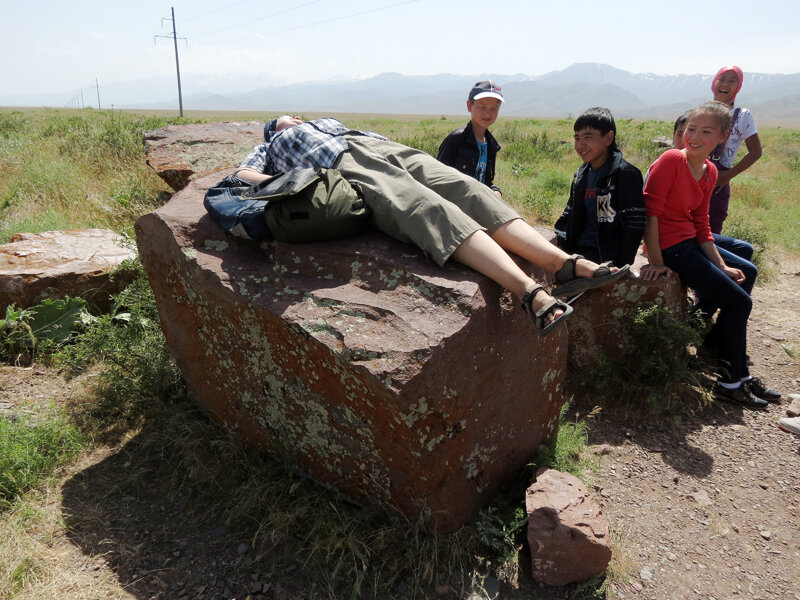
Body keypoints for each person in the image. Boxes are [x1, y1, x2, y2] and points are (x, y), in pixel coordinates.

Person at [235, 116, 631, 336]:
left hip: (383, 147)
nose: (290, 120)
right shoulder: (270, 146)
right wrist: (287, 182)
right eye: (281, 122)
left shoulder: (327, 121)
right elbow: (245, 174)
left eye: (292, 117)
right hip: (341, 164)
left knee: (471, 191)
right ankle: (530, 292)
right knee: (427, 210)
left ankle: (565, 264)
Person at [640, 102, 779, 409]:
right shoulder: (671, 160)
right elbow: (649, 215)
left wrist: (721, 265)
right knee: (740, 301)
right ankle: (733, 380)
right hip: (672, 247)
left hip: (689, 240)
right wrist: (656, 262)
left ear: (724, 136)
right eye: (691, 129)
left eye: (706, 131)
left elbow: (701, 224)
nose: (694, 137)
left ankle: (720, 348)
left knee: (747, 271)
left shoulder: (710, 170)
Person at [553, 107, 646, 268]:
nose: (580, 145)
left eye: (587, 137)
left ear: (608, 138)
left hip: (606, 256)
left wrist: (620, 264)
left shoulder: (625, 174)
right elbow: (569, 212)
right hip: (576, 250)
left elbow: (634, 225)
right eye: (577, 138)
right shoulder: (582, 173)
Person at [707, 65, 763, 234]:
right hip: (694, 175)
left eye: (732, 81)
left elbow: (756, 151)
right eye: (722, 79)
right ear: (714, 83)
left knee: (712, 225)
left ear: (738, 87)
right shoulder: (703, 112)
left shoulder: (742, 115)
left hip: (719, 179)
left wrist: (728, 175)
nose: (725, 84)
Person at [437, 80, 504, 197]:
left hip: (479, 203)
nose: (487, 113)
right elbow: (437, 177)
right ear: (469, 105)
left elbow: (486, 180)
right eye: (482, 107)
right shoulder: (456, 139)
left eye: (494, 108)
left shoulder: (491, 145)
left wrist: (495, 192)